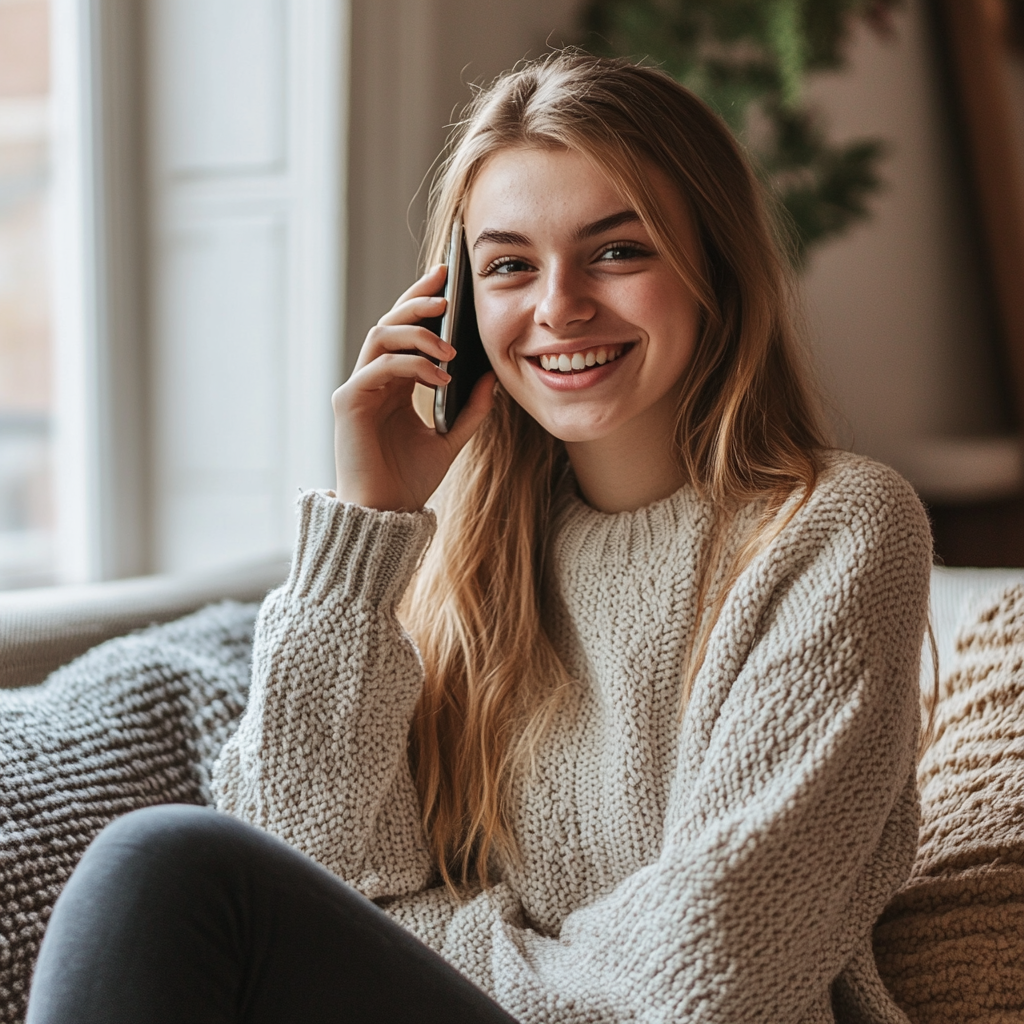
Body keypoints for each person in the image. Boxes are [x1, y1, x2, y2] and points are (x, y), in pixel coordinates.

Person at [27, 51, 932, 1024]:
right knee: (162, 865)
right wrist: (367, 529)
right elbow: (303, 871)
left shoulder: (836, 530)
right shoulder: (457, 568)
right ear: (456, 306)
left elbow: (710, 977)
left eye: (617, 250)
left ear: (712, 262)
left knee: (164, 862)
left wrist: (439, 935)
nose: (558, 306)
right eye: (508, 265)